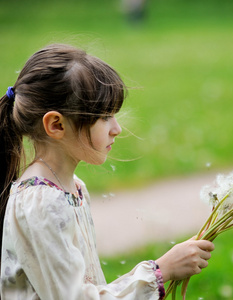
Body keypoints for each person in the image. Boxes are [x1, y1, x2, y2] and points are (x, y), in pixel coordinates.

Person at [0, 44, 214, 299]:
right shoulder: (41, 204)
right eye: (104, 117)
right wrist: (160, 271)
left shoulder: (72, 187)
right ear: (56, 125)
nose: (117, 128)